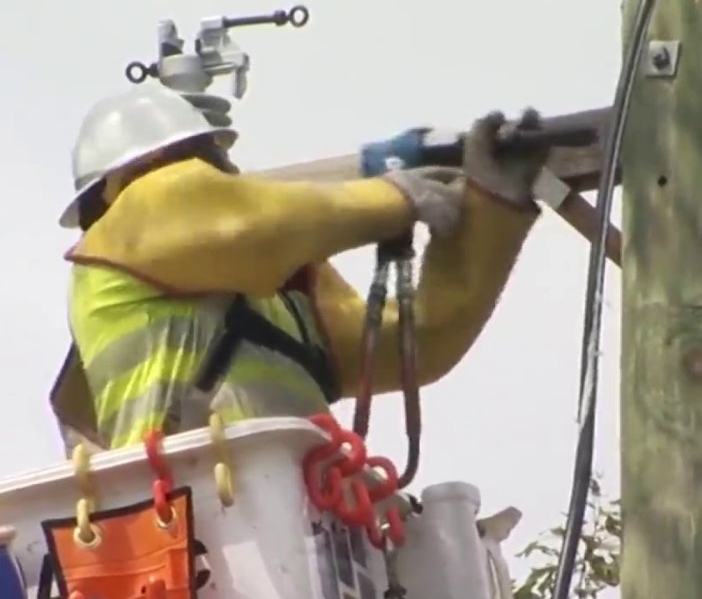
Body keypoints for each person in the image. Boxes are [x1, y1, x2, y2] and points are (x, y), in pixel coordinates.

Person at [49, 84, 548, 452]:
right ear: (119, 188)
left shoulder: (280, 289)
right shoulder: (116, 245)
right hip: (195, 529)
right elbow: (220, 217)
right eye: (195, 157)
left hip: (299, 532)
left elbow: (417, 341)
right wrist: (396, 196)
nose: (206, 169)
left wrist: (491, 209)